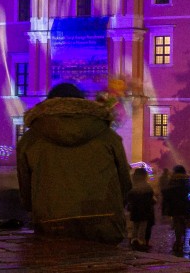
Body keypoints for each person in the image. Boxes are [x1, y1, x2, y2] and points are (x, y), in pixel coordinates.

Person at [16, 81, 132, 243]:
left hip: (52, 224)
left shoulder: (29, 140)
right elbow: (125, 183)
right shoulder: (108, 135)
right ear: (83, 103)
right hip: (104, 223)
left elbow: (26, 192)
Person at [160, 165, 190, 254]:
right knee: (183, 222)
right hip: (184, 204)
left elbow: (166, 193)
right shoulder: (186, 181)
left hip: (174, 205)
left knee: (177, 222)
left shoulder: (172, 181)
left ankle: (178, 242)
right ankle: (182, 240)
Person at [126, 167, 155, 250]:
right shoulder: (147, 186)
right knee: (143, 225)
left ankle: (134, 239)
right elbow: (150, 197)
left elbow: (129, 196)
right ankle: (141, 241)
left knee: (135, 225)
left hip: (135, 208)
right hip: (145, 209)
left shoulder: (133, 185)